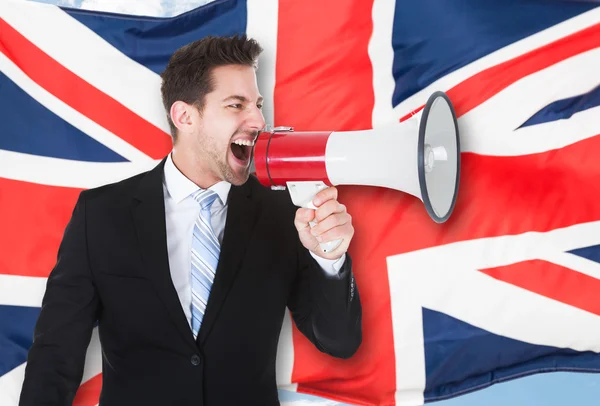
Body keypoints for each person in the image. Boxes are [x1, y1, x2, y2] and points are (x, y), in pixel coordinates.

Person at [19, 34, 362, 406]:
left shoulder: (285, 213)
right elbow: (56, 353)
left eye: (258, 105)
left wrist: (330, 257)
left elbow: (339, 341)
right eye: (237, 105)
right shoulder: (101, 214)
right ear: (185, 116)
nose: (260, 120)